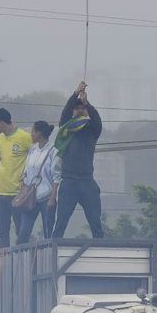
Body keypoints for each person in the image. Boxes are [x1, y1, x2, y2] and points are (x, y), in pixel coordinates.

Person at [50, 82, 105, 239]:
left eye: (82, 108)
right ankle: (56, 250)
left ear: (86, 110)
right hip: (69, 181)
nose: (79, 110)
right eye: (77, 108)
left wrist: (87, 102)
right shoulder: (66, 128)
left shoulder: (91, 130)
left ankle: (101, 252)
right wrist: (75, 93)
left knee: (95, 223)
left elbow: (97, 121)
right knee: (60, 222)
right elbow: (65, 115)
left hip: (87, 180)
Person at [0, 107, 32, 251]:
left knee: (21, 232)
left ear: (1, 122)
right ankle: (4, 263)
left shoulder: (24, 138)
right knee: (2, 233)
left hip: (18, 194)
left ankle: (23, 258)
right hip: (0, 193)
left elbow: (36, 159)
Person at [17, 119, 60, 243]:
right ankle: (21, 259)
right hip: (31, 196)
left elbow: (57, 177)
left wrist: (53, 198)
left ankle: (49, 258)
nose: (31, 134)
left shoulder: (53, 151)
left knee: (48, 232)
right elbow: (27, 173)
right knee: (23, 233)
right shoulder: (32, 150)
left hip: (46, 197)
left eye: (33, 131)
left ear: (39, 133)